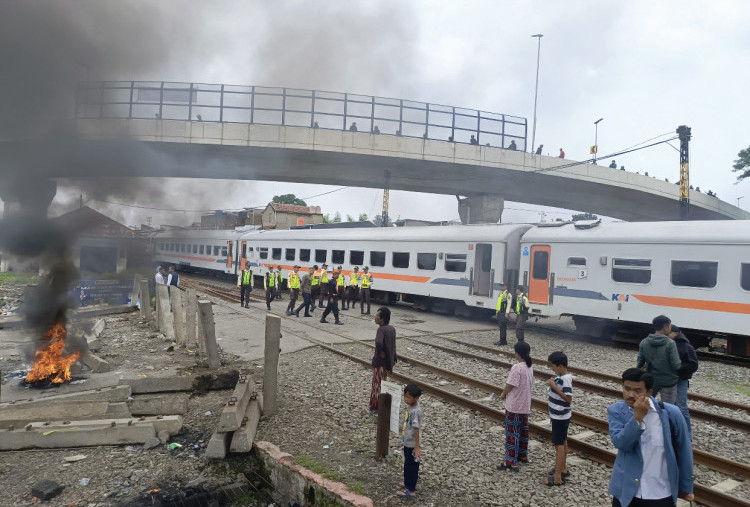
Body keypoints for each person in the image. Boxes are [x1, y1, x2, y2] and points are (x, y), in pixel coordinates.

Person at [608, 368, 694, 507]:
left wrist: (687, 486)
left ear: (649, 392)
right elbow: (621, 443)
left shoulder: (671, 413)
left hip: (661, 492)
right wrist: (637, 419)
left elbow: (685, 449)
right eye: (626, 388)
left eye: (637, 391)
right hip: (628, 492)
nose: (630, 395)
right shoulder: (616, 411)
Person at [498, 341, 533, 472]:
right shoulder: (529, 367)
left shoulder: (517, 367)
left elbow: (510, 384)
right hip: (525, 405)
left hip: (514, 405)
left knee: (512, 432)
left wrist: (503, 394)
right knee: (523, 431)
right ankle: (522, 455)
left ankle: (511, 461)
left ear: (518, 353)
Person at [542, 351, 573, 486]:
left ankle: (557, 477)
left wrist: (554, 387)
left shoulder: (566, 379)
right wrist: (553, 385)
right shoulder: (562, 377)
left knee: (558, 445)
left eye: (552, 366)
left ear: (560, 366)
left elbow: (568, 398)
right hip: (561, 416)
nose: (552, 369)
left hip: (560, 416)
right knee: (563, 441)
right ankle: (563, 468)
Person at [637, 315, 681, 404]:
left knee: (645, 405)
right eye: (669, 325)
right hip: (669, 381)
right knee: (668, 408)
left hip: (651, 380)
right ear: (665, 327)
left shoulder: (644, 342)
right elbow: (676, 365)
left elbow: (639, 363)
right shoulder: (670, 343)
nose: (670, 327)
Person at [669, 326, 698, 438]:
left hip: (680, 380)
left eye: (669, 333)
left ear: (675, 333)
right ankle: (676, 432)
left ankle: (687, 435)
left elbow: (693, 365)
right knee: (673, 406)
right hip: (671, 379)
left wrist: (677, 368)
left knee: (681, 407)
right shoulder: (671, 344)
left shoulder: (686, 347)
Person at [397, 383, 423, 499]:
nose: (405, 399)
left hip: (412, 444)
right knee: (408, 464)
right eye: (405, 396)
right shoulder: (412, 407)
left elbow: (416, 429)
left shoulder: (415, 412)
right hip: (408, 441)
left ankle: (410, 490)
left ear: (416, 398)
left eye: (408, 397)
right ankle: (408, 482)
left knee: (411, 466)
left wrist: (417, 447)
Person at [370, 307, 397, 412]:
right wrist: (393, 358)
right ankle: (380, 405)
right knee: (383, 382)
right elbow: (393, 345)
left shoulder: (381, 329)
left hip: (379, 362)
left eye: (377, 316)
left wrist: (381, 352)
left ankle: (375, 406)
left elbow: (379, 342)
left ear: (382, 319)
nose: (375, 317)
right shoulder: (392, 329)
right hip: (387, 363)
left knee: (377, 384)